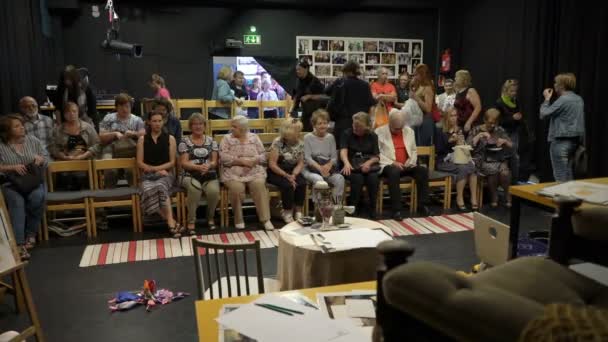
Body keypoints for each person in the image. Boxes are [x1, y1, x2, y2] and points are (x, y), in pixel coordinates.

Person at [0, 115, 48, 259]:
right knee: (17, 203)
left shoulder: (33, 141)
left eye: (21, 125)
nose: (22, 127)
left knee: (37, 197)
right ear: (7, 131)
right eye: (16, 126)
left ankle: (31, 233)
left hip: (33, 181)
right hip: (11, 183)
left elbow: (47, 158)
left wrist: (41, 159)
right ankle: (19, 245)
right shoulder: (1, 146)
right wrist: (10, 167)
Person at [219, 115, 274, 230]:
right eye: (231, 126)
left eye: (235, 127)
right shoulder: (227, 139)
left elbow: (264, 155)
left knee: (259, 185)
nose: (231, 129)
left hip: (254, 170)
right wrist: (241, 161)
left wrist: (255, 160)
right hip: (233, 172)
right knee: (237, 189)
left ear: (243, 129)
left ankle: (265, 219)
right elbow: (223, 157)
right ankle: (238, 219)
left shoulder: (254, 137)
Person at [376, 109, 430, 219]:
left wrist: (411, 161)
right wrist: (393, 162)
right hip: (388, 165)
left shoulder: (409, 131)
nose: (399, 130)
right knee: (394, 172)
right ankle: (397, 210)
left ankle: (423, 205)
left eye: (401, 128)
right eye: (396, 128)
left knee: (422, 171)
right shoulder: (379, 132)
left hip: (406, 164)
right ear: (389, 123)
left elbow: (414, 150)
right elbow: (377, 154)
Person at [136, 111, 182, 237]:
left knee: (161, 187)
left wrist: (157, 169)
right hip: (148, 175)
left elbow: (172, 162)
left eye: (159, 121)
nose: (157, 124)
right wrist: (154, 170)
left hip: (165, 174)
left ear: (163, 122)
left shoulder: (170, 138)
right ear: (149, 122)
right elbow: (139, 162)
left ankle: (171, 225)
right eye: (154, 121)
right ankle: (171, 221)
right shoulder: (142, 139)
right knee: (147, 189)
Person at [539, 73, 585, 182]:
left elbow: (543, 114)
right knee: (568, 175)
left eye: (556, 83)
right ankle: (571, 198)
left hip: (560, 142)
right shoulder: (579, 99)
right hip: (574, 142)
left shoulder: (563, 100)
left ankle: (564, 198)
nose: (554, 85)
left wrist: (546, 99)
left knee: (561, 177)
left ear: (562, 86)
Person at [178, 113, 220, 232]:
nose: (198, 126)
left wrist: (208, 165)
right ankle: (191, 220)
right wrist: (197, 167)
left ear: (204, 126)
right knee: (195, 188)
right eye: (195, 124)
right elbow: (184, 163)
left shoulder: (212, 141)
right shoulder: (184, 141)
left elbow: (214, 161)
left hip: (208, 173)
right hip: (188, 174)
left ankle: (210, 217)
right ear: (190, 126)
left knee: (214, 191)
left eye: (200, 124)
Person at [467, 108, 513, 207]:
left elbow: (511, 145)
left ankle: (507, 195)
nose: (492, 125)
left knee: (505, 173)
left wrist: (504, 141)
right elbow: (468, 146)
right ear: (484, 120)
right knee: (495, 170)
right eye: (490, 123)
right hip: (482, 160)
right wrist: (479, 136)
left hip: (498, 159)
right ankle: (494, 196)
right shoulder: (476, 129)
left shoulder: (499, 130)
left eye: (494, 123)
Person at [434, 107, 478, 210]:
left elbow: (463, 148)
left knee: (471, 167)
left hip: (458, 158)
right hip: (443, 161)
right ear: (446, 117)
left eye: (455, 115)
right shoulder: (440, 130)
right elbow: (438, 150)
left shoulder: (460, 130)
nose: (454, 118)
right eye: (451, 116)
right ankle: (459, 198)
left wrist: (460, 142)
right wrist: (449, 141)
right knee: (463, 168)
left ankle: (473, 198)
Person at [325, 61, 375, 147]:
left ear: (347, 71)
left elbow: (326, 91)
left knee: (340, 148)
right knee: (358, 149)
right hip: (360, 123)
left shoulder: (340, 83)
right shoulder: (365, 85)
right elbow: (371, 104)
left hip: (342, 122)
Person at [340, 112, 380, 218]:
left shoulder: (372, 136)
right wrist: (346, 163)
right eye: (354, 125)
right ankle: (353, 209)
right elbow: (343, 150)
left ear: (366, 127)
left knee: (373, 178)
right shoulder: (347, 133)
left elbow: (377, 156)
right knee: (357, 178)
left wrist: (368, 163)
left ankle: (372, 209)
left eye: (358, 126)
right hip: (351, 166)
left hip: (368, 166)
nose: (355, 128)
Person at [267, 118, 307, 223]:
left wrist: (294, 174)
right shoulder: (278, 142)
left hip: (292, 170)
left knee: (302, 183)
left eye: (299, 129)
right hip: (277, 170)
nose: (299, 132)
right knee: (287, 185)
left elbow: (301, 163)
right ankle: (287, 212)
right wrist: (286, 175)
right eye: (297, 130)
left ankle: (298, 211)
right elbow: (272, 164)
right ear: (289, 131)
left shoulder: (301, 143)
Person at [302, 109, 345, 200]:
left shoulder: (331, 137)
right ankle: (320, 208)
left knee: (339, 178)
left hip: (327, 169)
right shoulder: (307, 138)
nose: (323, 126)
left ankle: (335, 206)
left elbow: (334, 158)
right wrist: (320, 169)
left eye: (325, 123)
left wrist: (328, 166)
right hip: (311, 169)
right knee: (319, 180)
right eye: (320, 123)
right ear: (314, 125)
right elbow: (308, 158)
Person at [99, 93, 146, 159]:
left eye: (127, 106)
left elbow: (143, 134)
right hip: (110, 149)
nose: (124, 109)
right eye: (121, 106)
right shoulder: (108, 118)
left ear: (131, 107)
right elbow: (101, 137)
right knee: (106, 163)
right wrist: (114, 134)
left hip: (131, 149)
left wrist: (133, 133)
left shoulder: (137, 120)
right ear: (116, 107)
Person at [496, 79, 524, 184]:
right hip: (504, 132)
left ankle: (514, 183)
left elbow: (519, 115)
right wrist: (512, 118)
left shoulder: (516, 101)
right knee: (505, 157)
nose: (514, 93)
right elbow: (498, 121)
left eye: (515, 91)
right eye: (512, 91)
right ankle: (503, 183)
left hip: (514, 132)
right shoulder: (499, 102)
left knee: (515, 157)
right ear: (505, 90)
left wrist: (519, 118)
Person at [290, 62, 325, 132]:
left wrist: (310, 96)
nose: (297, 71)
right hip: (304, 112)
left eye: (299, 69)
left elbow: (325, 96)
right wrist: (291, 111)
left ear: (306, 69)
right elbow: (296, 97)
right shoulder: (298, 81)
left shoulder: (315, 81)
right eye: (296, 70)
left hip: (315, 114)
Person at [409, 63, 437, 146]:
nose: (415, 76)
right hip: (417, 119)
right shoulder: (419, 86)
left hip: (425, 121)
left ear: (422, 75)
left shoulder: (428, 87)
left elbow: (428, 108)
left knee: (423, 148)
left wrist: (416, 98)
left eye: (416, 74)